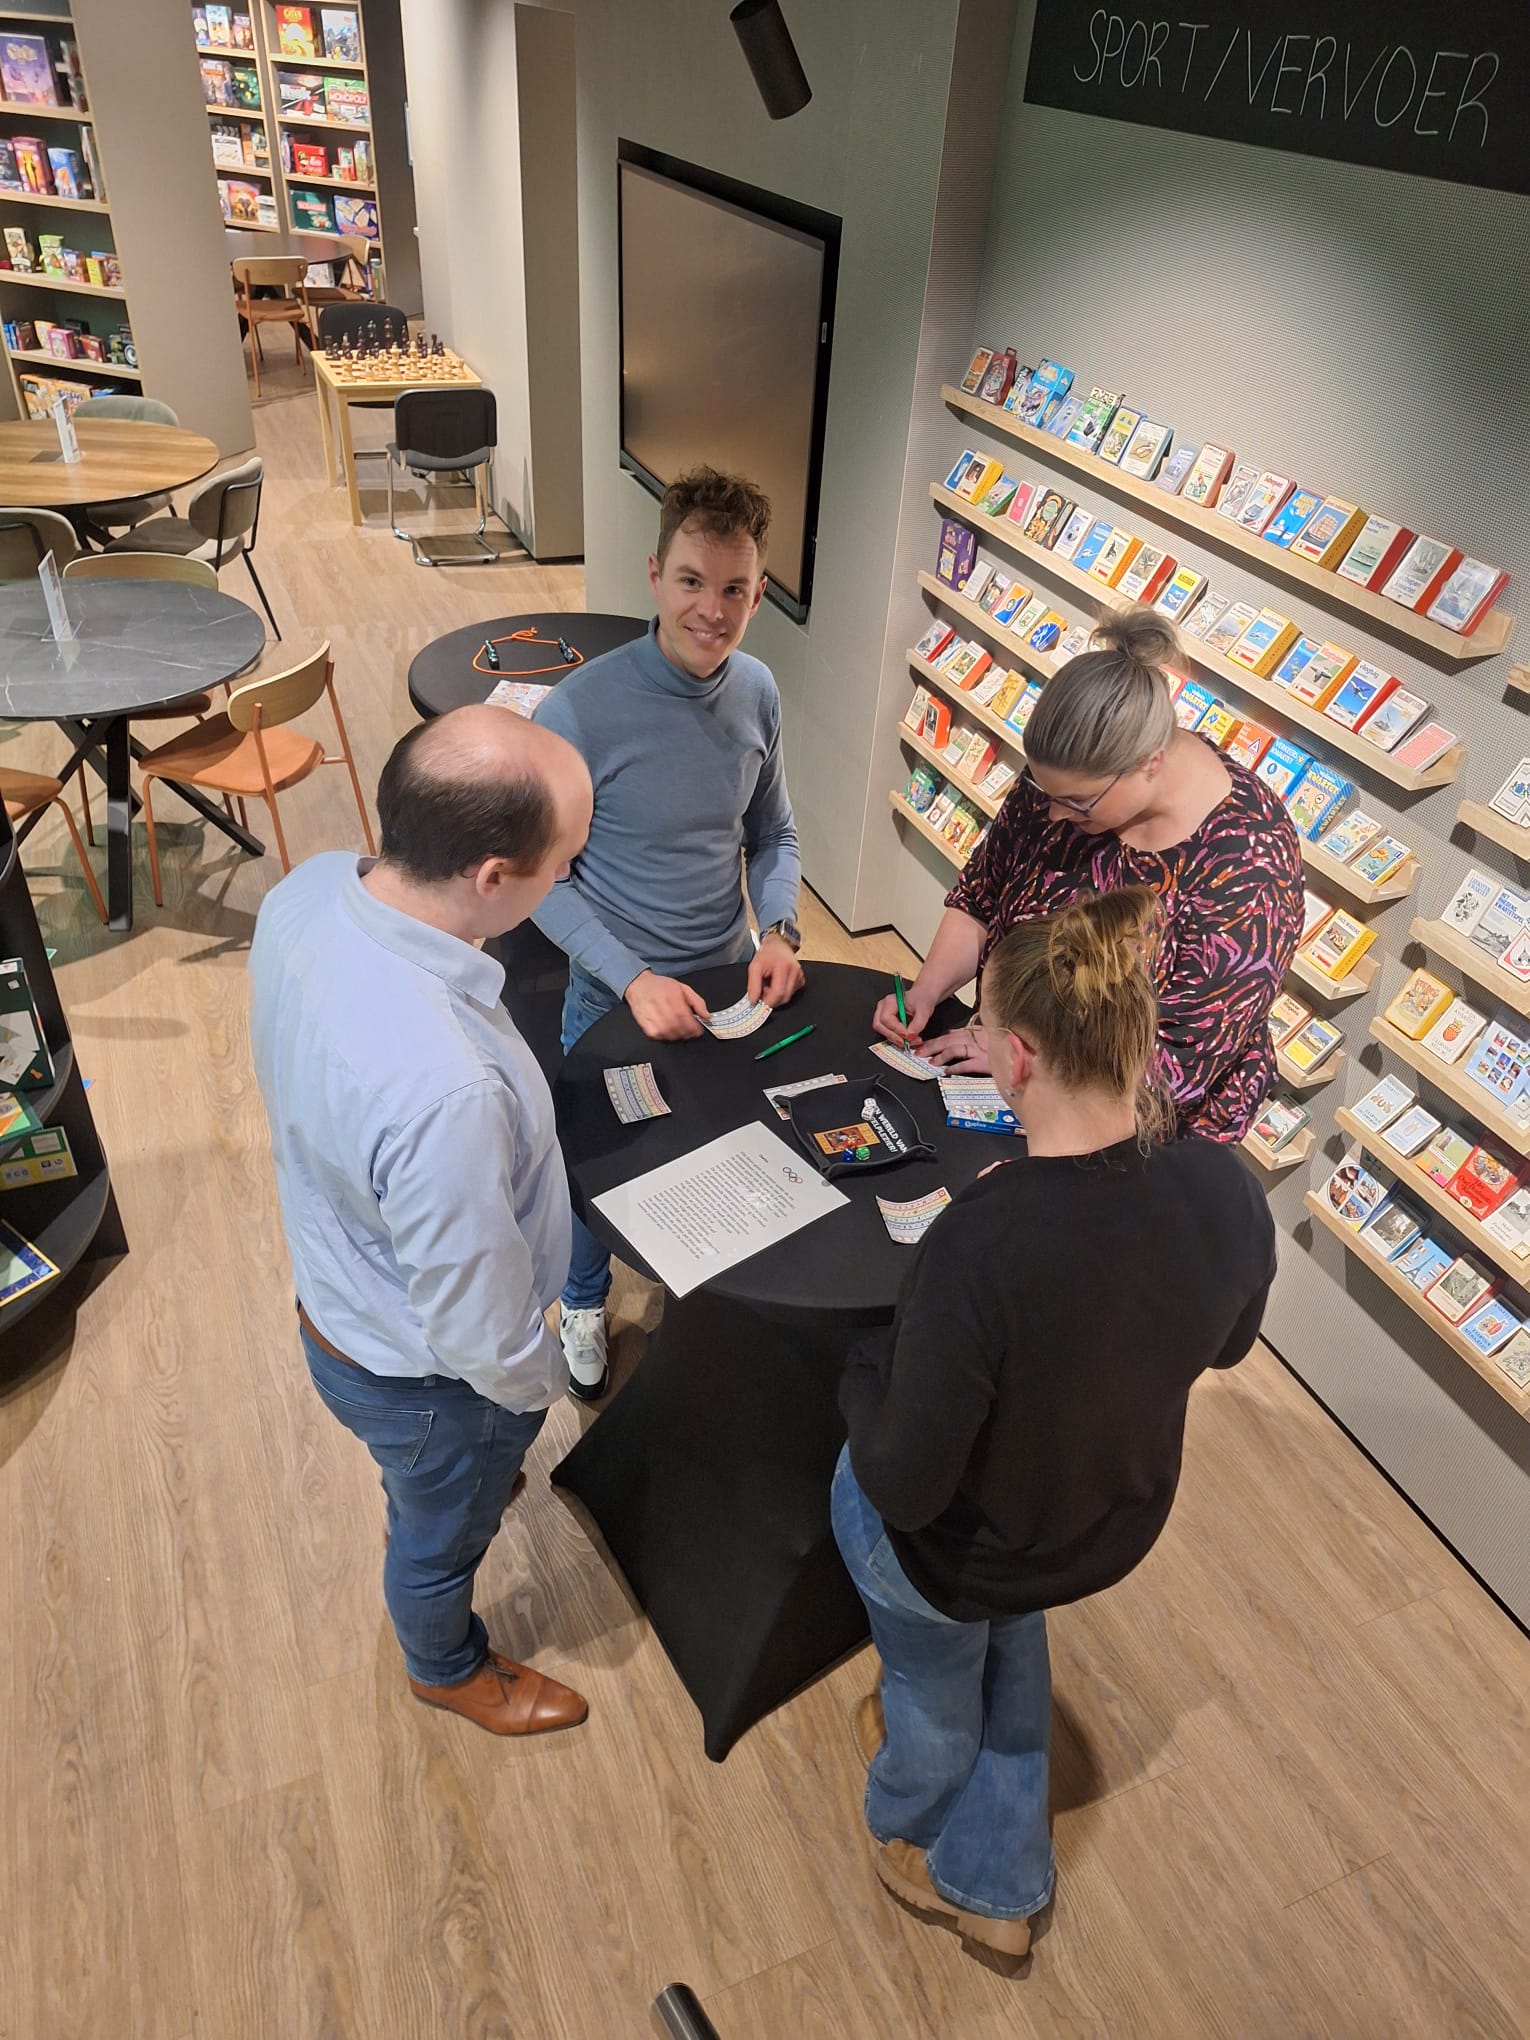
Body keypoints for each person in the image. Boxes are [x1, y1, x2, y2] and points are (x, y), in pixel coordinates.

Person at [835, 888, 1276, 1959]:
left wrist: (857, 1374)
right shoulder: (1226, 1187)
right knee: (1012, 1624)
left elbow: (906, 1486)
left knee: (930, 1674)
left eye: (983, 1029)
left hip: (968, 1546)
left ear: (1018, 1058)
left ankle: (914, 1820)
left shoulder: (981, 1245)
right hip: (1107, 1519)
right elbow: (1226, 1347)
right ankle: (999, 1878)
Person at [248, 706, 595, 1738]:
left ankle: (443, 1490)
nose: (569, 877)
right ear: (492, 877)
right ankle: (444, 1665)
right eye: (564, 862)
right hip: (430, 1381)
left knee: (430, 1489)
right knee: (438, 1541)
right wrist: (535, 1388)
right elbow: (478, 1328)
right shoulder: (445, 1090)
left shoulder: (310, 888)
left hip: (340, 1298)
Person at [533, 466, 804, 1398]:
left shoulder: (758, 692)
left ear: (758, 593)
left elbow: (774, 834)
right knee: (597, 1177)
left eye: (734, 589)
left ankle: (707, 1309)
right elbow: (540, 883)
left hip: (729, 990)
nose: (712, 611)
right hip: (614, 1000)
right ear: (655, 575)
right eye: (692, 581)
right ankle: (580, 1300)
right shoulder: (577, 711)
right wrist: (631, 977)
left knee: (715, 1153)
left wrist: (781, 930)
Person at [873, 609, 1303, 1140]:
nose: (1053, 816)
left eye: (1076, 803)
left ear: (1149, 763)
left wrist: (1025, 1063)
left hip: (1139, 1136)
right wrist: (927, 990)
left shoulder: (1250, 864)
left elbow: (1178, 1065)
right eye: (1044, 793)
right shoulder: (1067, 777)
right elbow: (982, 895)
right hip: (1015, 1076)